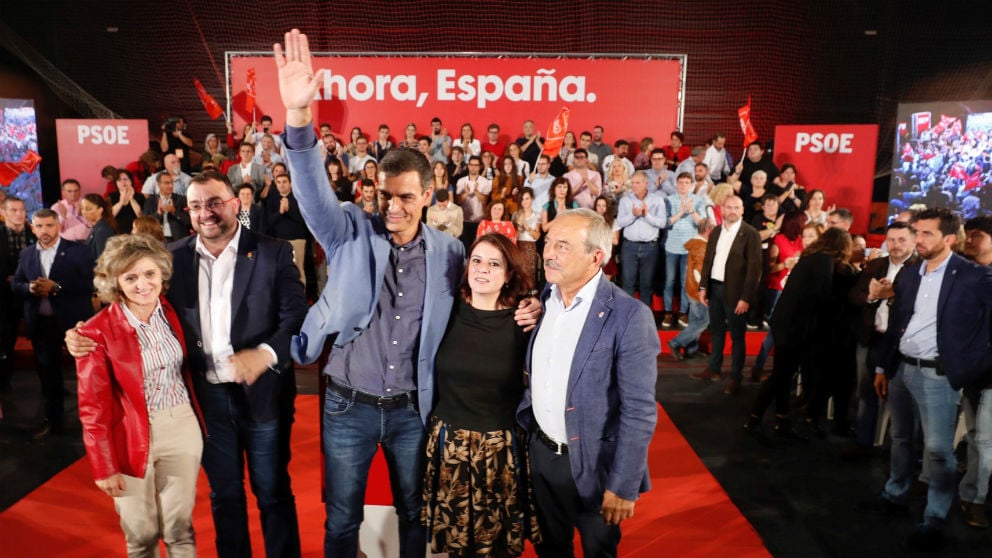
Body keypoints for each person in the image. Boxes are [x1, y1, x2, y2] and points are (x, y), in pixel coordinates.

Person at [273, 29, 540, 558]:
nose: (391, 206)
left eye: (405, 197)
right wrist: (298, 118)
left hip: (414, 410)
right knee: (341, 519)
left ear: (428, 196)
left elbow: (483, 299)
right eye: (384, 195)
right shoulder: (347, 228)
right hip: (347, 404)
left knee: (416, 516)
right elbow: (308, 187)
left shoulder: (451, 253)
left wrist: (528, 306)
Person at [518, 208, 658, 557]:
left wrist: (624, 485)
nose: (548, 252)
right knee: (550, 547)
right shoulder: (545, 296)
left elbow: (639, 410)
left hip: (596, 465)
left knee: (599, 552)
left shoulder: (629, 316)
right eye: (549, 242)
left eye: (562, 246)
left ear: (596, 257)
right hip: (543, 455)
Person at [75, 234, 204, 557]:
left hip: (182, 428)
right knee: (141, 534)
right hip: (128, 436)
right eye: (131, 277)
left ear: (162, 273)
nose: (143, 284)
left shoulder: (176, 314)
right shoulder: (96, 331)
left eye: (149, 274)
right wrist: (103, 464)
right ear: (116, 282)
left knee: (180, 528)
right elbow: (92, 407)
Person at [871, 208, 992, 550]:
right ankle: (895, 494)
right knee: (900, 438)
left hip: (939, 376)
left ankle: (935, 517)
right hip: (900, 370)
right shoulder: (909, 274)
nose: (917, 239)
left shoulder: (973, 276)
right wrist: (882, 367)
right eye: (917, 232)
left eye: (926, 234)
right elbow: (897, 324)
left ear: (949, 239)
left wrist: (975, 363)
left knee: (938, 450)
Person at [423, 233, 540, 557]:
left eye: (493, 263)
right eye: (476, 260)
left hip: (499, 451)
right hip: (449, 446)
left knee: (496, 549)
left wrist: (537, 301)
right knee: (457, 547)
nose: (482, 269)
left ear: (508, 275)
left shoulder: (525, 321)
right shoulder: (445, 312)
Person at [745, 227, 854, 440]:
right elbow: (821, 294)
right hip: (794, 326)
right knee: (780, 375)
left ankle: (781, 419)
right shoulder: (823, 261)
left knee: (784, 374)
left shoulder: (812, 257)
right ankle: (754, 418)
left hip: (788, 323)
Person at [14, 209, 94, 438]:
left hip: (74, 323)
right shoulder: (27, 254)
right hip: (42, 323)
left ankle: (95, 424)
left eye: (49, 225)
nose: (44, 231)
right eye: (39, 226)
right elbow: (16, 282)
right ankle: (54, 421)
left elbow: (91, 283)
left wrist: (56, 288)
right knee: (49, 376)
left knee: (88, 374)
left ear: (58, 225)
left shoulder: (79, 251)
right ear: (33, 228)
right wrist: (29, 288)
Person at [844, 221, 917, 458]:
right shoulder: (875, 265)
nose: (895, 245)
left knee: (901, 397)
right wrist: (873, 296)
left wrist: (892, 295)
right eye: (891, 240)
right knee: (865, 392)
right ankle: (863, 441)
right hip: (870, 337)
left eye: (901, 240)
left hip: (901, 344)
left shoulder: (920, 268)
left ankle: (899, 450)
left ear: (913, 241)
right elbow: (854, 296)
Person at [690, 195, 762, 395]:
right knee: (717, 332)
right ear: (722, 209)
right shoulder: (716, 232)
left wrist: (746, 298)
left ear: (742, 210)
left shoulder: (750, 234)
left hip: (737, 293)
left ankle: (736, 377)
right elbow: (708, 261)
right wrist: (703, 287)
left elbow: (754, 270)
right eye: (729, 207)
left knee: (738, 337)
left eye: (736, 207)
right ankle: (714, 369)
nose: (732, 210)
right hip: (715, 288)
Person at [958, 215, 992, 528]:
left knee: (983, 441)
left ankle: (974, 498)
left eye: (976, 235)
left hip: (988, 374)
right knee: (974, 437)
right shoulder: (963, 273)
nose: (968, 240)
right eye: (967, 235)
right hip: (967, 371)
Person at [663, 172, 707, 328]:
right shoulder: (668, 200)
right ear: (676, 183)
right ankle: (668, 312)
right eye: (681, 182)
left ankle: (683, 312)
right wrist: (681, 211)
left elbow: (702, 224)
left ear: (691, 185)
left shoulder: (699, 200)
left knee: (685, 282)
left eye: (687, 182)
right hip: (671, 246)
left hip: (690, 248)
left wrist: (691, 210)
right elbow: (666, 222)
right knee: (669, 281)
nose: (683, 185)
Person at [0, 196, 35, 391]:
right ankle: (4, 382)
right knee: (6, 339)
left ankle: (50, 384)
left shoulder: (34, 233)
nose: (19, 214)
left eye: (21, 210)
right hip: (5, 297)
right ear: (3, 214)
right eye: (13, 210)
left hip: (32, 294)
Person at [668, 218, 716, 360]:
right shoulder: (701, 247)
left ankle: (691, 349)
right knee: (703, 321)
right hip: (698, 291)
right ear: (708, 230)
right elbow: (699, 272)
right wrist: (703, 290)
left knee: (695, 321)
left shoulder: (696, 245)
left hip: (692, 289)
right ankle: (676, 342)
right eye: (713, 229)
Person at [142, 172, 191, 243]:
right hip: (157, 240)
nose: (170, 186)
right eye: (167, 183)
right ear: (159, 184)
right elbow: (144, 224)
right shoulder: (150, 201)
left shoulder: (182, 200)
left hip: (178, 239)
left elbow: (189, 222)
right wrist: (158, 214)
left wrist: (174, 212)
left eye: (172, 182)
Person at [515, 187, 542, 283]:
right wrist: (519, 228)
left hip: (530, 246)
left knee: (529, 273)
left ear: (532, 199)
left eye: (527, 199)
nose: (524, 202)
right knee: (516, 272)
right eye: (522, 199)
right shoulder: (516, 214)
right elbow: (512, 234)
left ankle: (529, 294)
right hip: (517, 245)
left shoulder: (537, 215)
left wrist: (527, 227)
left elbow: (537, 236)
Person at [80, 193, 117, 260]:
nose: (84, 212)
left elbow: (103, 260)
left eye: (88, 209)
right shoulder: (97, 227)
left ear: (100, 210)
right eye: (82, 208)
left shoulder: (102, 230)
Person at [109, 169, 146, 235]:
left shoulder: (139, 196)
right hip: (117, 232)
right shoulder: (112, 196)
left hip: (136, 231)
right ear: (116, 183)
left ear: (131, 181)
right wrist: (121, 202)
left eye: (125, 179)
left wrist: (131, 199)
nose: (123, 182)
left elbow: (141, 216)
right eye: (119, 180)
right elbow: (110, 216)